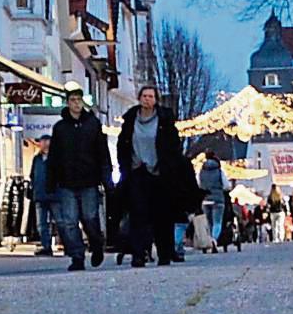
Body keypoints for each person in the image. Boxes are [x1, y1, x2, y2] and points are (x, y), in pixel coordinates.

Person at [117, 86, 184, 267]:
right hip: (137, 172)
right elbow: (122, 144)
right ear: (139, 98)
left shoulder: (164, 120)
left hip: (159, 173)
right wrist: (126, 167)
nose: (147, 99)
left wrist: (171, 168)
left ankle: (164, 253)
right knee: (138, 215)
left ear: (156, 99)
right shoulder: (131, 120)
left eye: (151, 96)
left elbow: (173, 147)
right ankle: (138, 254)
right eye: (144, 96)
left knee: (162, 215)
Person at [46, 88, 112, 272]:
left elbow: (102, 153)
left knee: (90, 218)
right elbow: (54, 156)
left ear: (83, 102)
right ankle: (77, 256)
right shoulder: (60, 128)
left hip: (89, 180)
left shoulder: (92, 124)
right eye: (72, 100)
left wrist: (106, 178)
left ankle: (96, 243)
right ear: (68, 103)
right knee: (69, 221)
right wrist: (51, 181)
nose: (76, 103)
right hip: (66, 181)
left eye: (78, 100)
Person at [28, 135, 59, 256]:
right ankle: (46, 246)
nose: (45, 144)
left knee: (60, 221)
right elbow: (33, 175)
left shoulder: (57, 158)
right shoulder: (37, 159)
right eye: (43, 142)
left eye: (47, 141)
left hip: (55, 195)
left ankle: (67, 245)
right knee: (41, 224)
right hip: (40, 196)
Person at [199, 150, 230, 252]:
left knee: (208, 222)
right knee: (217, 221)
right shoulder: (219, 171)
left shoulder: (201, 171)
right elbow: (226, 185)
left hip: (205, 199)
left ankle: (207, 239)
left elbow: (198, 184)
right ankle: (214, 239)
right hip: (218, 198)